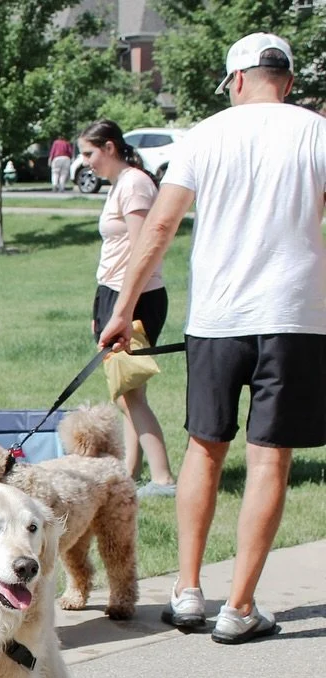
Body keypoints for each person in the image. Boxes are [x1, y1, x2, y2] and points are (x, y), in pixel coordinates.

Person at [100, 33, 326, 644]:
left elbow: (162, 225)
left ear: (235, 81)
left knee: (205, 448)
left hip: (217, 320)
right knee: (269, 458)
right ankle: (241, 607)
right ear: (288, 79)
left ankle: (189, 592)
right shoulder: (318, 131)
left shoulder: (206, 134)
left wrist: (123, 309)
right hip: (294, 317)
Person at [79, 119, 175, 495]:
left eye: (89, 153)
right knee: (124, 392)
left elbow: (142, 249)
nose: (85, 161)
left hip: (134, 297)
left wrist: (123, 308)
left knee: (130, 392)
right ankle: (130, 473)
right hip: (114, 295)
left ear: (110, 147)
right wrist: (99, 308)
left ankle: (164, 477)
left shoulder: (134, 183)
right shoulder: (120, 184)